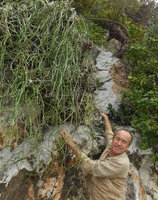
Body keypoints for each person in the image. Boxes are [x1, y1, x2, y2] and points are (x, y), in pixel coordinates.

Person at [60, 113, 132, 200]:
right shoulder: (111, 146)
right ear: (114, 139)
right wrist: (106, 118)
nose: (119, 143)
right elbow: (109, 133)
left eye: (124, 142)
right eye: (117, 139)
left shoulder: (122, 163)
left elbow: (92, 167)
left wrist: (71, 144)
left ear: (128, 147)